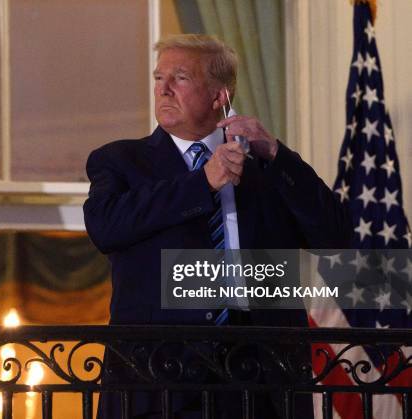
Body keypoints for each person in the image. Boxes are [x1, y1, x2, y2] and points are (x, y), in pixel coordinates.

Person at [83, 34, 352, 418]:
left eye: (180, 78)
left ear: (219, 96)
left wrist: (277, 153)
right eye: (159, 78)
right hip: (159, 382)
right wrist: (203, 182)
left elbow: (335, 236)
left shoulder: (267, 169)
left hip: (261, 380)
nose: (164, 89)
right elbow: (105, 228)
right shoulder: (120, 160)